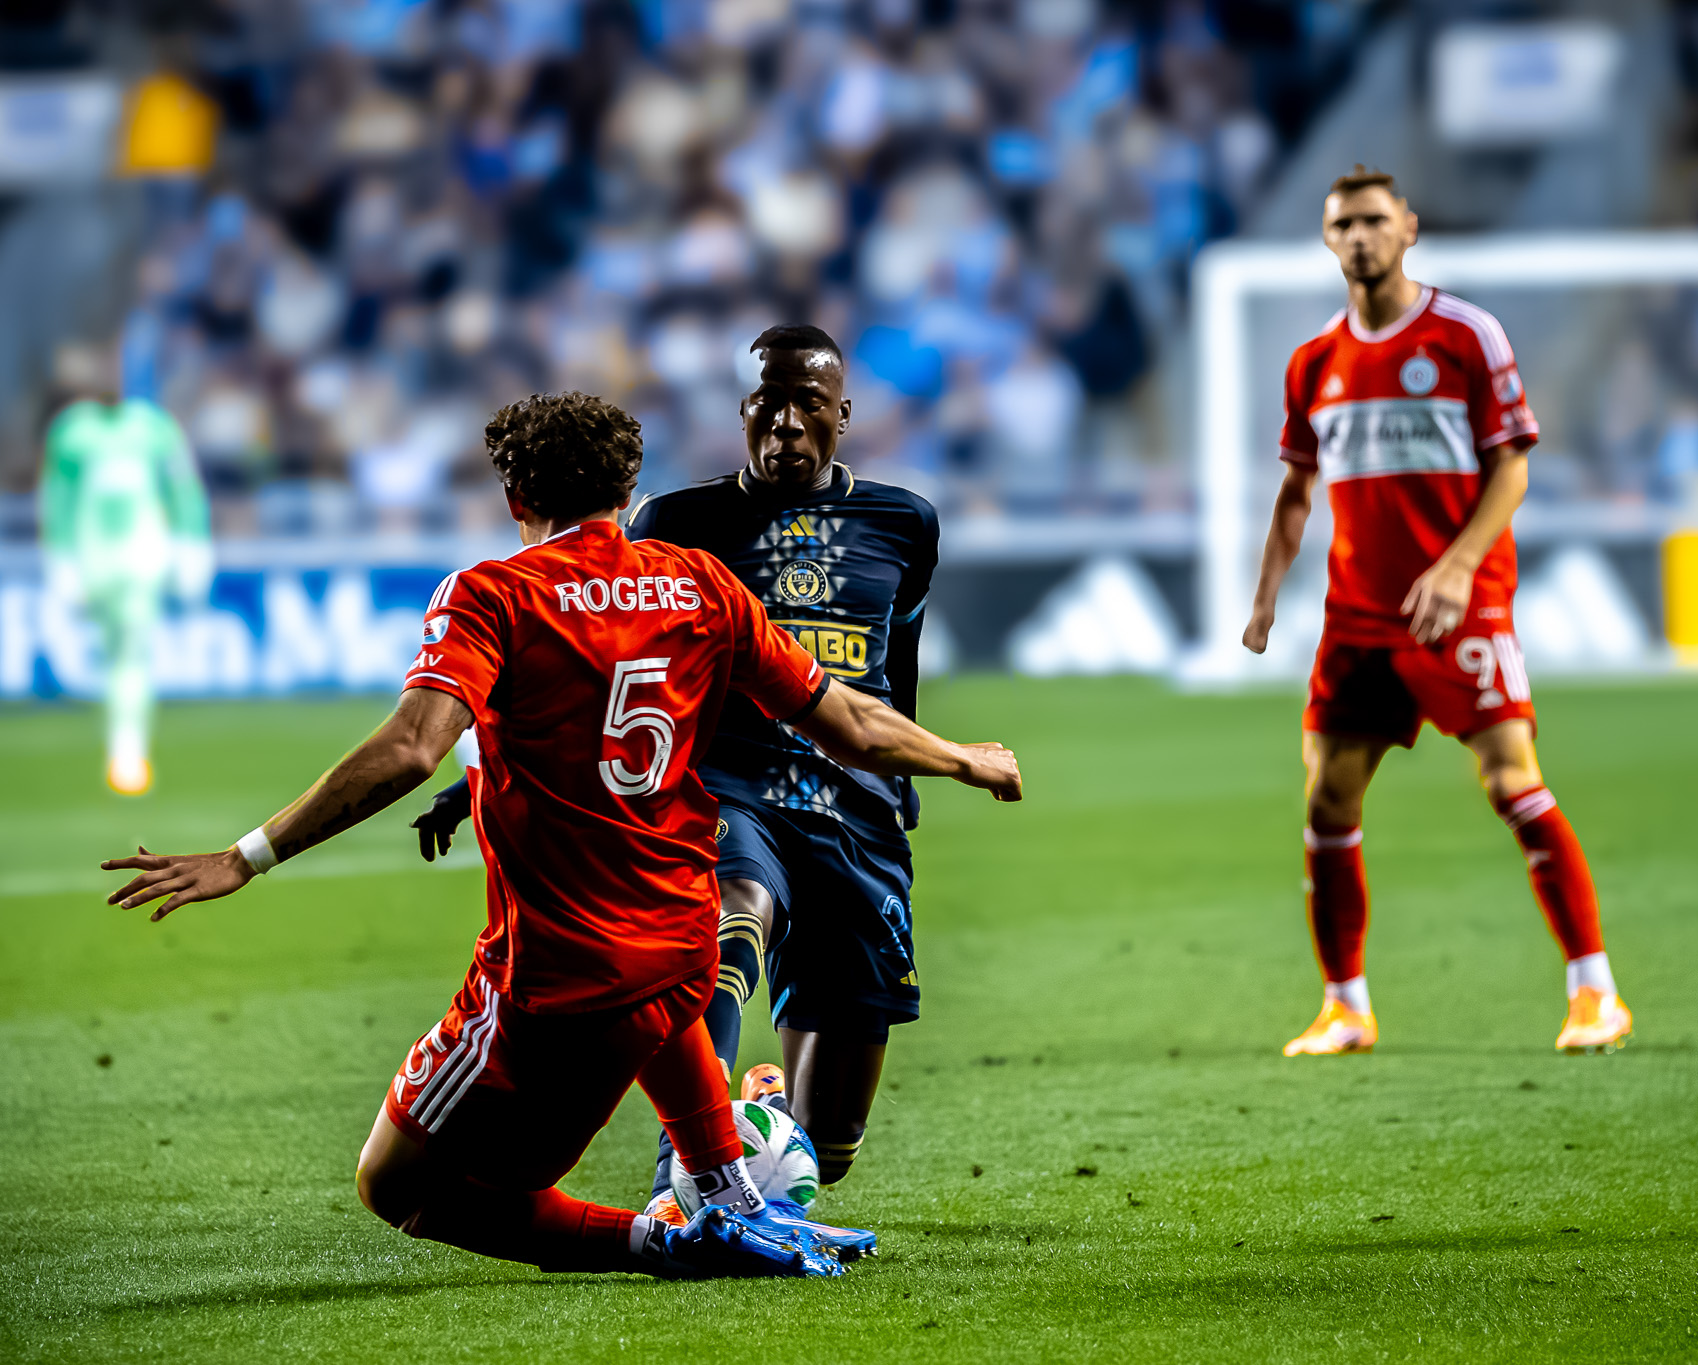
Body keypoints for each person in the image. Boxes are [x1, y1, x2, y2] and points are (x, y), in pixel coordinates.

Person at [100, 392, 1023, 1282]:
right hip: (681, 949)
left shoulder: (491, 595)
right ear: (628, 490)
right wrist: (962, 757)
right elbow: (850, 722)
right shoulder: (704, 583)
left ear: (515, 497)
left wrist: (246, 855)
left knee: (394, 1185)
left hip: (559, 983)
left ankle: (662, 1243)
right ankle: (733, 1195)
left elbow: (413, 746)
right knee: (668, 996)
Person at [413, 325, 939, 1217]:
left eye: (808, 405)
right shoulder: (677, 525)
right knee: (736, 908)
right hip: (728, 785)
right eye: (768, 404)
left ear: (842, 415)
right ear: (743, 411)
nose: (786, 424)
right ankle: (688, 1169)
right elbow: (607, 686)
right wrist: (479, 783)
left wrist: (908, 770)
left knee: (827, 1147)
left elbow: (896, 663)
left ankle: (763, 1106)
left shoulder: (906, 523)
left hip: (854, 807)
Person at [1242, 168, 1632, 1057]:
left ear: (1408, 228)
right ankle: (1345, 1006)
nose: (1360, 237)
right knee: (1328, 798)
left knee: (1512, 782)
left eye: (1375, 221)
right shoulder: (1314, 362)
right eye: (1344, 224)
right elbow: (1297, 491)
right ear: (1328, 239)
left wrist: (1457, 567)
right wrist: (1266, 598)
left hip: (1462, 606)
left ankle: (1595, 992)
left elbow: (1512, 467)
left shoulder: (1465, 335)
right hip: (1356, 616)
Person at [39, 342, 211, 796]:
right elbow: (57, 498)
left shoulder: (155, 428)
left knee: (132, 652)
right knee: (113, 652)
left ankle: (127, 749)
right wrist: (61, 559)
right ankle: (122, 744)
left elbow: (183, 489)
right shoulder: (71, 431)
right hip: (94, 559)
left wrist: (192, 544)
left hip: (142, 557)